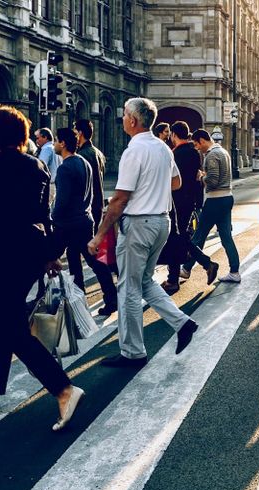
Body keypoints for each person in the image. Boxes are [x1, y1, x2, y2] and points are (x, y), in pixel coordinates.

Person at [0, 106, 84, 431]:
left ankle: (63, 388)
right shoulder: (36, 165)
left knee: (10, 327)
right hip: (31, 252)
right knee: (3, 318)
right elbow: (43, 213)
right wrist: (50, 254)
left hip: (2, 254)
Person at [88, 97, 198, 368]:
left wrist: (99, 234)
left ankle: (132, 352)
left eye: (124, 114)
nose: (122, 118)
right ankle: (182, 323)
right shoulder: (163, 148)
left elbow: (120, 198)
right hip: (161, 222)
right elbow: (176, 182)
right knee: (145, 281)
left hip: (139, 224)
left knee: (127, 289)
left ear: (133, 121)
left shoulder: (133, 151)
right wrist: (153, 187)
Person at [52, 128, 118, 315]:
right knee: (90, 261)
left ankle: (53, 299)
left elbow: (62, 200)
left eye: (56, 140)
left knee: (48, 258)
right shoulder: (83, 162)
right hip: (84, 219)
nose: (55, 143)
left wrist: (53, 219)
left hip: (67, 223)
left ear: (63, 143)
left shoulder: (65, 168)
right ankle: (108, 298)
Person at [161, 121, 218, 294]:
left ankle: (175, 279)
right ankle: (203, 265)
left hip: (176, 202)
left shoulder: (174, 154)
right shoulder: (195, 153)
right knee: (180, 237)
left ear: (174, 135)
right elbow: (196, 179)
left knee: (176, 238)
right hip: (189, 201)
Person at [180, 129, 242, 282]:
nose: (196, 148)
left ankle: (186, 269)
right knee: (226, 237)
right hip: (227, 197)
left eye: (196, 144)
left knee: (199, 235)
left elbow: (213, 181)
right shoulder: (223, 152)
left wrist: (202, 177)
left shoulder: (212, 155)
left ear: (202, 140)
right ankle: (234, 271)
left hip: (215, 200)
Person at [74, 119, 107, 233]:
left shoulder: (82, 155)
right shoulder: (98, 152)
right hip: (97, 204)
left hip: (87, 207)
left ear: (80, 133)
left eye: (75, 132)